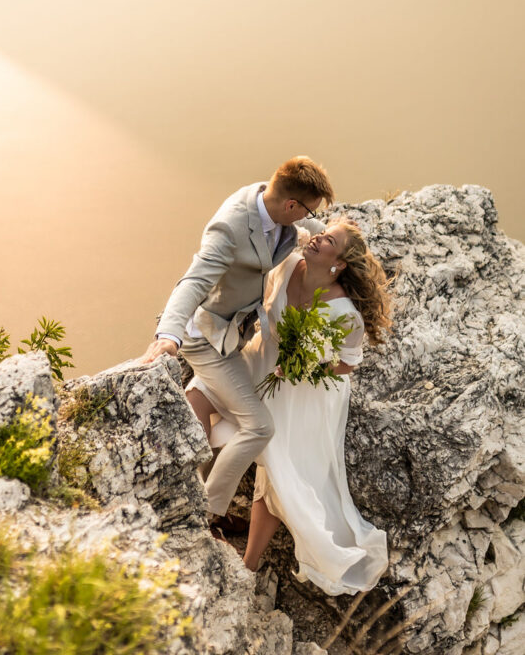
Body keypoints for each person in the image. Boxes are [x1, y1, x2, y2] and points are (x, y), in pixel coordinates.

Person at [189, 218, 392, 595]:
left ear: (339, 263)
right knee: (198, 395)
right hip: (259, 360)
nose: (317, 239)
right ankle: (190, 502)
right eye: (321, 233)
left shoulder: (345, 314)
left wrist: (311, 361)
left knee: (279, 472)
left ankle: (247, 565)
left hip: (304, 390)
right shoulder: (288, 263)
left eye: (328, 239)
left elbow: (347, 363)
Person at [141, 156, 334, 534]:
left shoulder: (274, 199)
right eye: (306, 210)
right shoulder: (229, 227)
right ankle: (203, 513)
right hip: (207, 338)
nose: (307, 219)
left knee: (210, 417)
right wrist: (168, 336)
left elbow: (309, 223)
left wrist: (334, 232)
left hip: (237, 335)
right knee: (259, 427)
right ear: (290, 206)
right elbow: (193, 282)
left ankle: (200, 489)